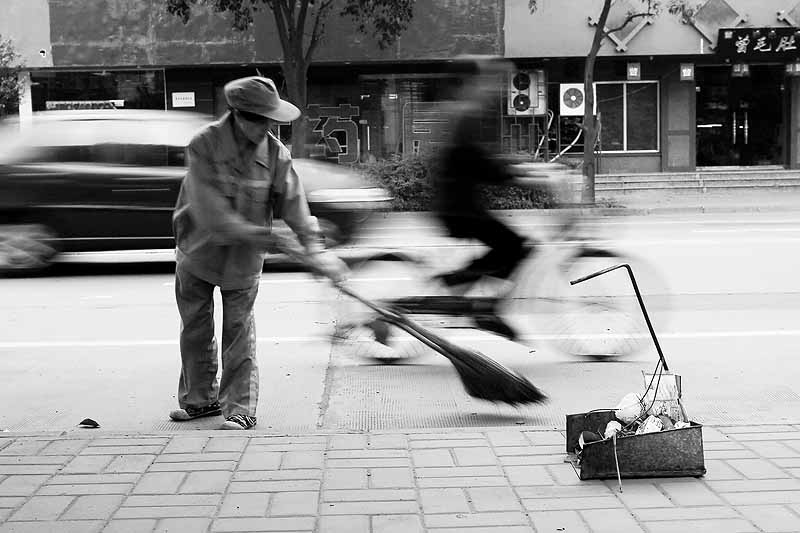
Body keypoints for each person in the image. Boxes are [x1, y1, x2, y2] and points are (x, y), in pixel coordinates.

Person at [169, 76, 347, 430]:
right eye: (261, 120)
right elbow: (212, 215)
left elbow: (296, 206)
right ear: (239, 115)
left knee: (239, 330)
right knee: (196, 329)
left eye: (270, 121)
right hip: (197, 251)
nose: (267, 128)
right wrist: (268, 238)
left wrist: (315, 251)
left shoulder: (277, 155)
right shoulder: (203, 145)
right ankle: (200, 400)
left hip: (242, 262)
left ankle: (239, 408)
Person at [432, 56, 533, 290]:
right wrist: (518, 177)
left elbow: (483, 158)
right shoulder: (467, 113)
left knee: (507, 249)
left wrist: (517, 169)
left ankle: (468, 291)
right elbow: (476, 162)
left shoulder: (463, 111)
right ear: (472, 81)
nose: (499, 88)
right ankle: (467, 293)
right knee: (514, 246)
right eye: (496, 81)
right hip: (459, 208)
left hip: (458, 206)